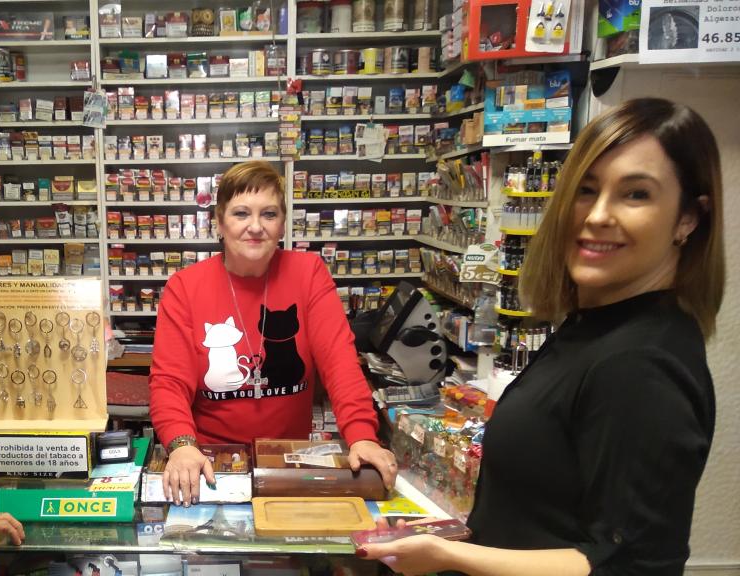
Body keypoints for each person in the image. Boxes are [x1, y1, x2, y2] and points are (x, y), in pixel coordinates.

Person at [359, 98, 723, 575]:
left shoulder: (640, 364)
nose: (597, 216)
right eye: (586, 190)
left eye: (636, 195)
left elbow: (629, 566)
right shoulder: (597, 328)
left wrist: (447, 555)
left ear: (688, 219)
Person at [149, 160, 398, 506]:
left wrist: (362, 435)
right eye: (240, 214)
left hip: (289, 462)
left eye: (268, 214)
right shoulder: (185, 287)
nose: (255, 227)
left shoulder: (308, 273)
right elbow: (169, 382)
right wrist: (181, 445)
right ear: (219, 222)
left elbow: (340, 363)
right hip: (210, 463)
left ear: (282, 223)